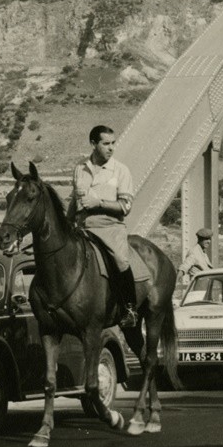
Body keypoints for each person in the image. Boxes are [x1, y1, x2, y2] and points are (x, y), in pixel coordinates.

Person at [67, 125, 138, 328]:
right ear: (93, 144)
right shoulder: (80, 168)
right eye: (106, 143)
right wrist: (66, 223)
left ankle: (130, 308)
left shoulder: (121, 170)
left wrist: (99, 203)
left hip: (110, 227)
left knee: (120, 259)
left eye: (113, 143)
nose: (111, 148)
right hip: (82, 227)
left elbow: (125, 206)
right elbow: (74, 201)